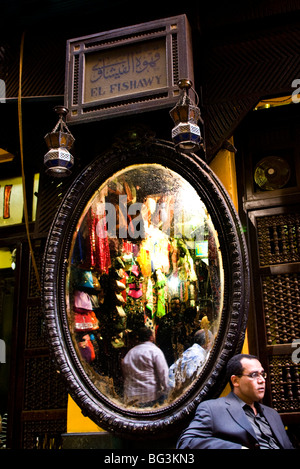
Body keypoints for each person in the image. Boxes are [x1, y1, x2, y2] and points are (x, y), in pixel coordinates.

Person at [176, 353, 294, 449]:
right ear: (235, 381)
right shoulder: (213, 409)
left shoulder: (272, 414)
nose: (262, 380)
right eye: (254, 375)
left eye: (263, 374)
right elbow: (186, 442)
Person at [122, 326, 169, 407]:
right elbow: (164, 374)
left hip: (131, 397)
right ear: (151, 338)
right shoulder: (155, 351)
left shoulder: (130, 353)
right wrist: (167, 391)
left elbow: (125, 374)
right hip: (151, 396)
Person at [156, 297, 186, 366]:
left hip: (179, 349)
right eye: (172, 304)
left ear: (180, 305)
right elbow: (160, 334)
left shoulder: (182, 318)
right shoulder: (165, 319)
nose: (174, 306)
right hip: (167, 349)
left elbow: (185, 334)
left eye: (176, 304)